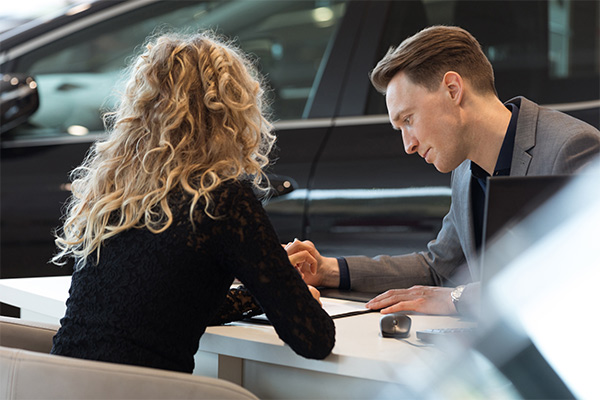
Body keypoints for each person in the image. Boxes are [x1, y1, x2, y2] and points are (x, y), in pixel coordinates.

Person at [50, 32, 335, 374]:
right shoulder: (223, 200)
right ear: (232, 113)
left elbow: (167, 304)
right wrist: (282, 285)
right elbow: (314, 338)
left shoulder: (114, 191)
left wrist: (266, 283)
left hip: (54, 384)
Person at [287, 25, 600, 317]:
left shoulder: (571, 148)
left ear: (453, 89)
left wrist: (457, 298)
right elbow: (438, 268)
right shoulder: (465, 169)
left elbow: (580, 277)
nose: (408, 144)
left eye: (408, 119)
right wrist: (330, 270)